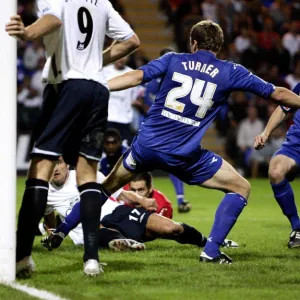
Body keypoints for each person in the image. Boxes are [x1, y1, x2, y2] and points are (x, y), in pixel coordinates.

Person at [100, 20, 300, 264]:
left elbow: (135, 77)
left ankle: (64, 231)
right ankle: (211, 250)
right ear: (220, 45)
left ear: (193, 43)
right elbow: (278, 94)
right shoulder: (231, 71)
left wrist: (100, 86)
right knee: (241, 187)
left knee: (104, 188)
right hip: (185, 153)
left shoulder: (173, 59)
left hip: (148, 145)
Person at [6, 0, 140, 277]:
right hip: (97, 89)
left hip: (65, 86)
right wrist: (92, 61)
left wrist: (27, 33)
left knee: (41, 167)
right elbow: (131, 41)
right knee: (88, 173)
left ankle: (21, 259)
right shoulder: (101, 2)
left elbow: (53, 19)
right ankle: (91, 260)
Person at [41, 169, 239, 251]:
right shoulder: (45, 193)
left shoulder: (85, 174)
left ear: (65, 163)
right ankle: (119, 241)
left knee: (172, 229)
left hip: (117, 213)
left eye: (59, 162)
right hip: (91, 230)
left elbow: (119, 192)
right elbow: (49, 218)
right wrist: (52, 235)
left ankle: (210, 243)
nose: (56, 169)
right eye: (52, 164)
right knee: (93, 227)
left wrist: (142, 201)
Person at [143, 47, 191, 213]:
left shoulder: (182, 80)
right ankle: (141, 198)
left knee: (174, 162)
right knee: (143, 162)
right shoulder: (155, 80)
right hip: (154, 126)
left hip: (172, 127)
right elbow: (146, 102)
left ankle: (180, 199)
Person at [254, 82, 300, 248]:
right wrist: (265, 133)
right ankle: (297, 227)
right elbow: (283, 108)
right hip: (297, 144)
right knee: (276, 170)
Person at [104, 57, 144, 147]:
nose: (121, 59)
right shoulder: (104, 72)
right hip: (107, 118)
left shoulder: (132, 74)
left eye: (125, 56)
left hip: (124, 120)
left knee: (124, 149)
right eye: (120, 56)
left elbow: (134, 98)